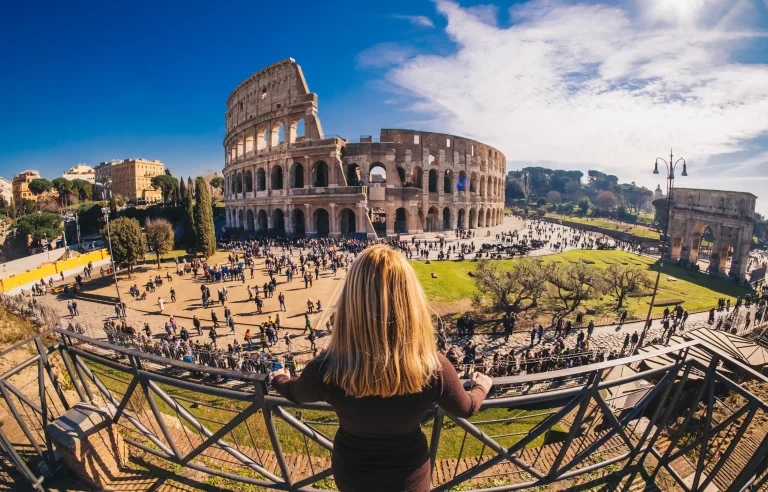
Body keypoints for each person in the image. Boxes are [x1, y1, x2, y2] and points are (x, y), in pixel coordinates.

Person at [271, 245, 491, 492]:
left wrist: (279, 378)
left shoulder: (327, 367)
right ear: (411, 300)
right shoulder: (434, 366)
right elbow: (466, 407)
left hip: (352, 474)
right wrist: (482, 386)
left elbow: (295, 394)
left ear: (350, 301)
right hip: (409, 477)